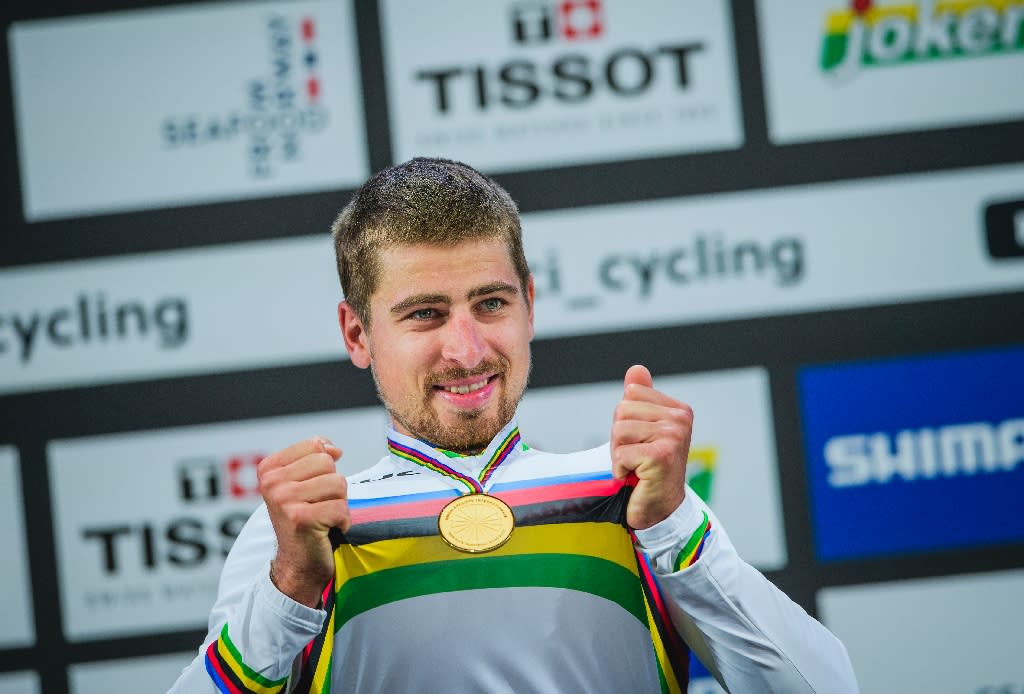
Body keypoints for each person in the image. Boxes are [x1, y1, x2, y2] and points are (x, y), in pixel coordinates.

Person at [170, 158, 858, 693]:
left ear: (529, 305)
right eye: (425, 314)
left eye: (490, 303)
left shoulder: (637, 498)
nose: (467, 350)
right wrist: (289, 589)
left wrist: (675, 527)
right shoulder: (297, 536)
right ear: (357, 333)